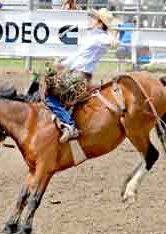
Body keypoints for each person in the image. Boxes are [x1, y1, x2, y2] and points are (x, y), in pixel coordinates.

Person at [44, 8, 119, 143]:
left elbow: (112, 42)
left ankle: (70, 125)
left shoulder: (99, 37)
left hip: (78, 78)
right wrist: (62, 62)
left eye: (93, 18)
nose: (89, 19)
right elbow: (78, 56)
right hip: (77, 76)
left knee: (48, 96)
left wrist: (61, 64)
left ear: (100, 23)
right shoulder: (94, 36)